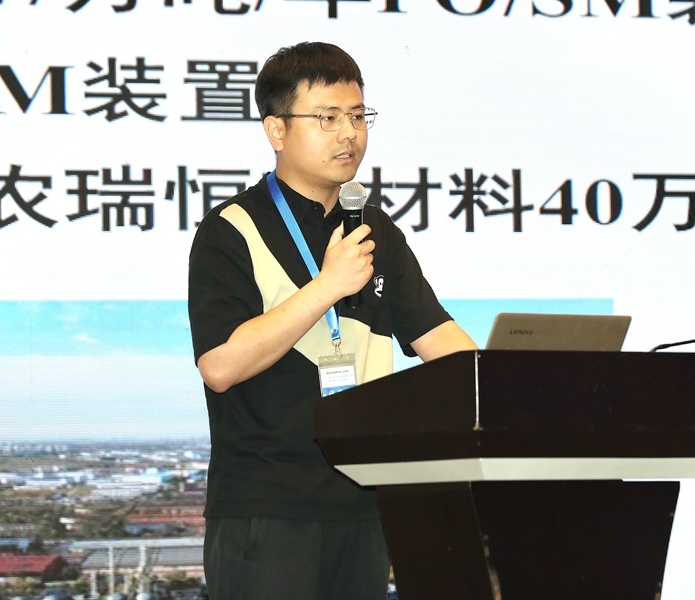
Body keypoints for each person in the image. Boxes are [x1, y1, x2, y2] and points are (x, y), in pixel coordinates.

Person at [187, 42, 477, 600]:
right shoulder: (231, 229)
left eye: (358, 116)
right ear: (276, 130)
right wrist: (327, 287)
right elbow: (220, 366)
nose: (349, 134)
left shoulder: (375, 230)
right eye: (327, 118)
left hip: (365, 501)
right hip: (268, 507)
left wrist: (509, 387)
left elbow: (439, 338)